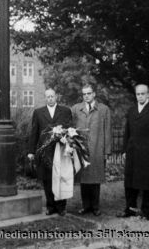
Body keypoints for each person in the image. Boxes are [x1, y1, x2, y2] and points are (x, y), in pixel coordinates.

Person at [119, 84, 149, 220]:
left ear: (148, 94)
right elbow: (127, 132)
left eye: (142, 93)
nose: (140, 96)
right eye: (138, 94)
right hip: (133, 152)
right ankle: (130, 209)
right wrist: (124, 150)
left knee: (148, 183)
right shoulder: (132, 110)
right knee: (130, 183)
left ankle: (145, 212)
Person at [28, 88, 72, 216]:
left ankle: (61, 207)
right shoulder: (38, 112)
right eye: (48, 97)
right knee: (47, 179)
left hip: (61, 150)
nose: (50, 99)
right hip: (45, 151)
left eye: (52, 96)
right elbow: (34, 132)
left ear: (56, 97)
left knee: (61, 178)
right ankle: (50, 206)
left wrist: (70, 145)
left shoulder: (65, 111)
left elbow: (70, 129)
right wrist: (31, 151)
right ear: (45, 98)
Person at [71, 83, 112, 216]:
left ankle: (95, 206)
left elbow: (107, 131)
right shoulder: (76, 109)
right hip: (81, 148)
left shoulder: (104, 109)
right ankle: (85, 206)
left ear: (94, 94)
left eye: (89, 93)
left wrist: (106, 151)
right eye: (84, 94)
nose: (86, 96)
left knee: (95, 179)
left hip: (97, 149)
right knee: (83, 179)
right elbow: (70, 127)